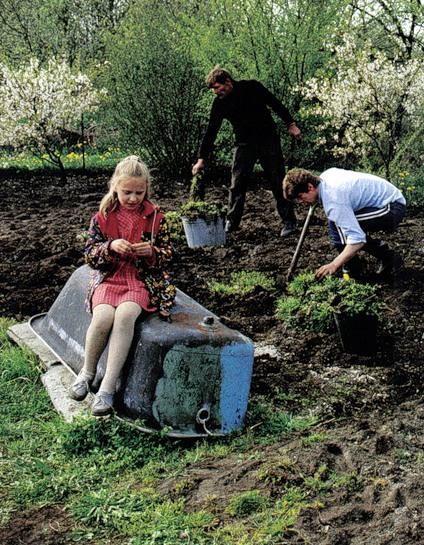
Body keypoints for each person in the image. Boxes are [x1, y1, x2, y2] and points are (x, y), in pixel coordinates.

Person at [69, 156, 176, 416]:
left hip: (139, 279)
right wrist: (109, 247)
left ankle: (107, 387)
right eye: (127, 192)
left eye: (139, 192)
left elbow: (169, 254)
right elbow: (90, 254)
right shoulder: (103, 216)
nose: (132, 198)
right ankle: (87, 371)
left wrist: (151, 252)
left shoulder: (156, 218)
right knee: (104, 315)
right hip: (110, 277)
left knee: (126, 315)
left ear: (146, 189)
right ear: (115, 187)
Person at [192, 66, 301, 236]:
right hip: (244, 144)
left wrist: (291, 124)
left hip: (268, 140)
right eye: (213, 89)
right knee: (237, 184)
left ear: (227, 81)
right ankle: (232, 222)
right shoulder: (220, 103)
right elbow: (211, 130)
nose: (215, 92)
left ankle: (289, 221)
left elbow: (275, 103)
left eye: (217, 87)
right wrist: (201, 158)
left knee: (277, 180)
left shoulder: (252, 87)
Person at [283, 167, 406, 280]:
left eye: (300, 197)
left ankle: (384, 260)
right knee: (337, 225)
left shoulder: (333, 200)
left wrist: (334, 264)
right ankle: (356, 266)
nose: (300, 202)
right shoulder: (324, 177)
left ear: (310, 187)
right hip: (378, 203)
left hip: (391, 207)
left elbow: (357, 238)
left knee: (347, 229)